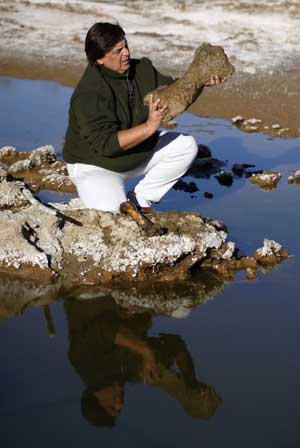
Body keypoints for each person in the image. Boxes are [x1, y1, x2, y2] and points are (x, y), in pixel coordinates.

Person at [63, 22, 224, 213]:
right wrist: (149, 127)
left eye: (126, 46)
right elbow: (106, 144)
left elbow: (176, 94)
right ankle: (113, 197)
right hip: (95, 166)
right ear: (99, 59)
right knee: (112, 212)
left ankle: (141, 198)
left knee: (186, 145)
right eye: (117, 51)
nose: (126, 53)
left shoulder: (142, 68)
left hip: (136, 153)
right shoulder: (89, 94)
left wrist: (201, 81)